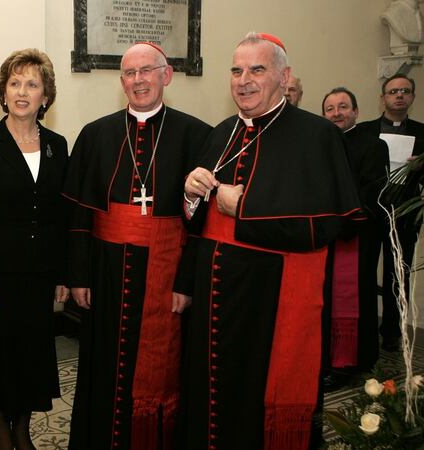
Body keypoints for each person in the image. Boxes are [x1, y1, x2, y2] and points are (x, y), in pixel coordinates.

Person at [179, 33, 360, 449]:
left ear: (284, 76)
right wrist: (190, 195)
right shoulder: (222, 131)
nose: (244, 80)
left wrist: (240, 210)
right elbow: (197, 223)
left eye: (256, 70)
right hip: (215, 297)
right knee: (212, 394)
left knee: (254, 403)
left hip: (271, 299)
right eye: (237, 70)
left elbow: (329, 226)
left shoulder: (316, 136)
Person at [62, 41, 211, 449]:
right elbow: (78, 216)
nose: (138, 80)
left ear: (167, 75)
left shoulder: (196, 134)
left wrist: (186, 282)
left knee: (164, 369)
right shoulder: (95, 134)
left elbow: (202, 224)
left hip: (166, 273)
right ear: (121, 81)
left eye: (147, 70)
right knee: (104, 365)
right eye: (129, 73)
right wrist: (78, 275)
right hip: (106, 270)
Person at [0, 48, 69, 450]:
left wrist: (62, 274)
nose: (23, 91)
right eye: (15, 83)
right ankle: (2, 430)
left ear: (45, 96)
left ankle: (22, 425)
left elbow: (61, 216)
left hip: (39, 277)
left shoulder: (58, 145)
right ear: (3, 92)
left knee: (32, 355)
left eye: (32, 84)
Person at [322, 88, 389, 384]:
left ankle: (349, 360)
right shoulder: (320, 144)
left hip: (355, 232)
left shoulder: (372, 145)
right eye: (330, 108)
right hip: (323, 233)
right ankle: (327, 357)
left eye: (343, 107)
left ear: (356, 112)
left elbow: (372, 192)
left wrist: (341, 220)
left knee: (352, 295)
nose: (337, 113)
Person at [356, 73, 424, 352]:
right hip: (371, 214)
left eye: (405, 91)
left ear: (412, 97)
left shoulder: (422, 133)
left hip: (404, 214)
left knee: (399, 273)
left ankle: (393, 331)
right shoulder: (364, 131)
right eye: (393, 91)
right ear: (383, 97)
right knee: (365, 272)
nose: (399, 96)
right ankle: (367, 329)